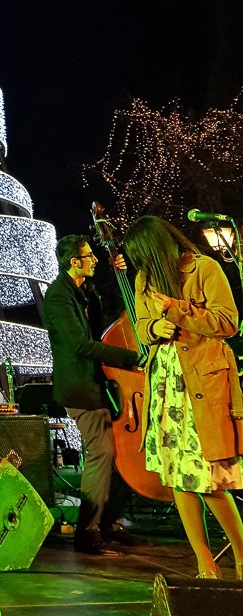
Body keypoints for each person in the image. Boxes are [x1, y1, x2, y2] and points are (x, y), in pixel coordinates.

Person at [125, 215, 243, 579]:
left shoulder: (203, 268)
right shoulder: (144, 278)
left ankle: (241, 557)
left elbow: (228, 322)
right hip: (167, 383)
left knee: (211, 481)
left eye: (142, 256)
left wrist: (177, 311)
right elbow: (142, 326)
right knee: (178, 476)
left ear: (156, 248)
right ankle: (204, 564)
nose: (140, 267)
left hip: (203, 382)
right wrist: (153, 328)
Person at [43, 235, 140, 555]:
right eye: (89, 256)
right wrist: (130, 358)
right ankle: (87, 531)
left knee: (123, 455)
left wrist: (118, 273)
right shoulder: (58, 296)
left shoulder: (85, 292)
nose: (94, 260)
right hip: (80, 388)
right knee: (101, 454)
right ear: (74, 262)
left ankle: (110, 522)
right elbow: (80, 346)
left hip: (101, 386)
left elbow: (112, 315)